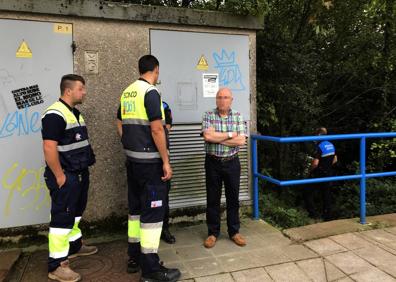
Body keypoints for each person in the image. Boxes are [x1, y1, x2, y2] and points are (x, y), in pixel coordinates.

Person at [116, 55, 181, 282]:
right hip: (150, 164)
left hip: (132, 162)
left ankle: (134, 256)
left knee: (135, 212)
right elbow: (156, 129)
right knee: (153, 215)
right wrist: (165, 160)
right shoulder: (150, 92)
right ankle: (151, 270)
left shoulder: (127, 92)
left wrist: (129, 143)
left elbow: (120, 122)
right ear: (156, 69)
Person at [41, 74, 97, 282]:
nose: (84, 92)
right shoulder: (55, 114)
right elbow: (49, 147)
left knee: (74, 214)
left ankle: (74, 246)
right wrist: (59, 176)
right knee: (61, 219)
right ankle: (57, 265)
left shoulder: (74, 113)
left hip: (79, 173)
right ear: (68, 91)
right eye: (81, 89)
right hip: (66, 176)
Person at [201, 87, 247, 248]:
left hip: (232, 163)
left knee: (232, 198)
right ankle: (213, 233)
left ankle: (234, 232)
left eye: (226, 97)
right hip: (213, 162)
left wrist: (216, 138)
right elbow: (207, 136)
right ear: (216, 99)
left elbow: (241, 141)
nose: (222, 100)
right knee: (212, 199)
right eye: (219, 97)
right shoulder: (208, 115)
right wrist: (229, 135)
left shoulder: (238, 116)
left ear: (231, 100)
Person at [304, 127, 338, 221]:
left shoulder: (319, 146)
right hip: (328, 172)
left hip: (318, 173)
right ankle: (327, 216)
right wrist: (327, 165)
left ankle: (313, 214)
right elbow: (335, 159)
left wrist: (309, 171)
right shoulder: (331, 145)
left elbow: (315, 163)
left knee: (307, 191)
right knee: (326, 194)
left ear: (319, 135)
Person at [160, 101, 176, 244]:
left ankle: (164, 229)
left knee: (164, 196)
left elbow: (167, 128)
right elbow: (120, 123)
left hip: (162, 157)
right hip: (141, 159)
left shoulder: (164, 106)